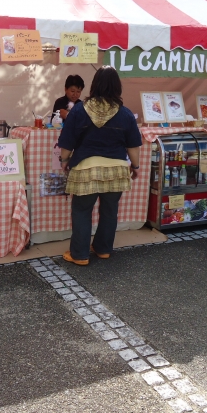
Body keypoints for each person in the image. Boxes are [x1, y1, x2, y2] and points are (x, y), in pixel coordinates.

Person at [58, 66, 142, 265]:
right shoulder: (126, 113)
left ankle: (79, 255)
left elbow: (67, 141)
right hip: (117, 169)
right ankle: (103, 249)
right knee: (110, 210)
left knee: (82, 210)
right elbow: (133, 146)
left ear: (95, 84)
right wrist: (136, 167)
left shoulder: (79, 110)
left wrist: (64, 161)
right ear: (117, 86)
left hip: (86, 168)